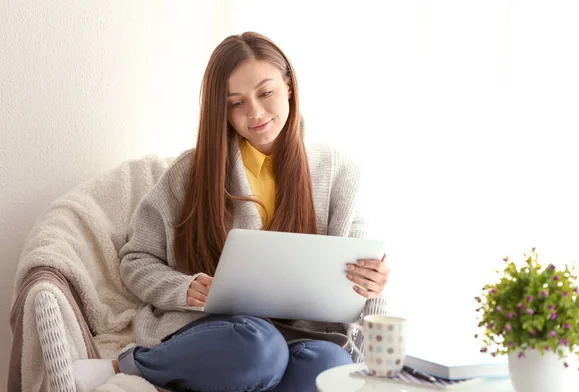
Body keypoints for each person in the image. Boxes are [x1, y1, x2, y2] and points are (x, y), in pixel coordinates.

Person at [73, 32, 390, 392]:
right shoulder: (190, 173)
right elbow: (135, 259)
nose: (254, 112)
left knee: (330, 365)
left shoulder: (340, 173)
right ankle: (131, 364)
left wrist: (372, 284)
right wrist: (185, 287)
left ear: (289, 86)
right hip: (223, 334)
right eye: (236, 103)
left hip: (304, 336)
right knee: (258, 348)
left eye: (265, 93)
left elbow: (362, 276)